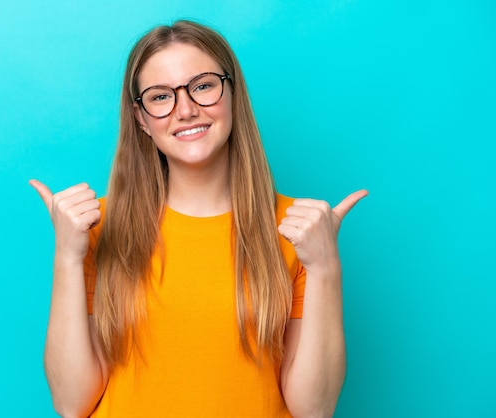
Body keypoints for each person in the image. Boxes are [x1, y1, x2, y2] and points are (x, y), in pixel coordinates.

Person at [30, 20, 367, 418]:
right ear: (141, 118)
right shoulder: (95, 228)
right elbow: (71, 404)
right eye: (160, 97)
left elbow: (313, 410)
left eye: (203, 85)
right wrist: (67, 258)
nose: (186, 110)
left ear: (233, 93)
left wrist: (325, 267)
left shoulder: (299, 231)